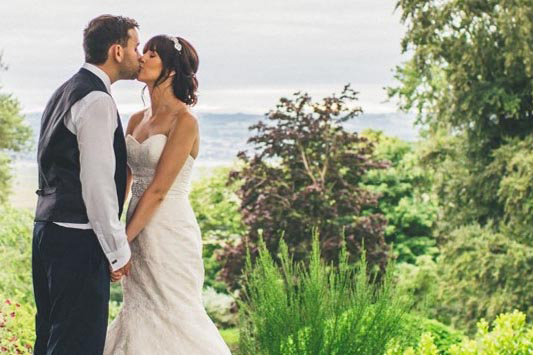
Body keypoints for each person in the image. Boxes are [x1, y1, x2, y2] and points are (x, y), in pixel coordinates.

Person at [103, 34, 231, 354]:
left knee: (173, 310)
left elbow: (159, 190)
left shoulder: (185, 120)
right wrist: (112, 232)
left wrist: (122, 243)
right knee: (138, 310)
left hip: (168, 228)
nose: (142, 58)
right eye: (142, 51)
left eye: (152, 54)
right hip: (135, 220)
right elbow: (125, 182)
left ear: (171, 70)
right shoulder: (134, 119)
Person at [32, 15, 141, 354]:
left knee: (51, 336)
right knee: (77, 343)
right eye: (136, 47)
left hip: (47, 230)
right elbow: (97, 185)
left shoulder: (64, 91)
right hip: (77, 238)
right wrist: (117, 249)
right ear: (117, 51)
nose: (139, 55)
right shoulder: (96, 100)